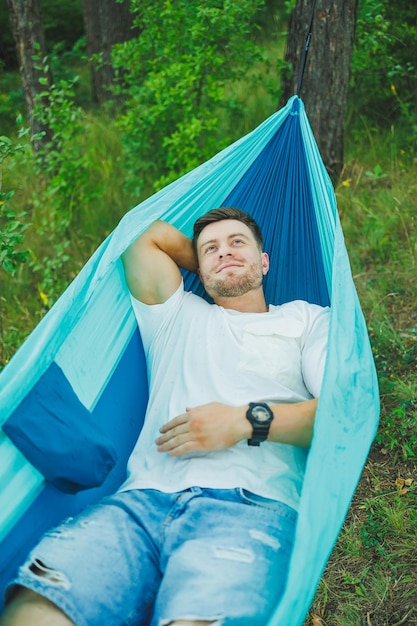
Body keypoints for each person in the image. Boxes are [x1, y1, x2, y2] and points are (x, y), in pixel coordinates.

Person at [0, 207, 330, 626]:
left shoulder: (308, 320)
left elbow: (339, 413)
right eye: (211, 248)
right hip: (136, 506)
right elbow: (138, 235)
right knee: (37, 609)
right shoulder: (177, 315)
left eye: (238, 243)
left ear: (264, 262)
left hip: (248, 507)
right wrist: (212, 262)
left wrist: (242, 421)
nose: (224, 252)